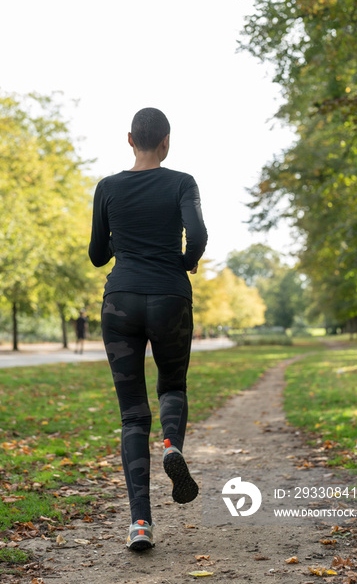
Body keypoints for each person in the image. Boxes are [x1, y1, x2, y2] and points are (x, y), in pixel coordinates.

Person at [88, 107, 207, 551]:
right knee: (172, 385)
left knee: (132, 415)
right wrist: (184, 262)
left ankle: (140, 524)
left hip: (119, 303)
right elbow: (197, 234)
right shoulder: (182, 182)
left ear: (129, 140)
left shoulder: (108, 187)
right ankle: (173, 446)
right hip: (170, 298)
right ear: (167, 141)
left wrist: (123, 243)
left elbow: (98, 254)